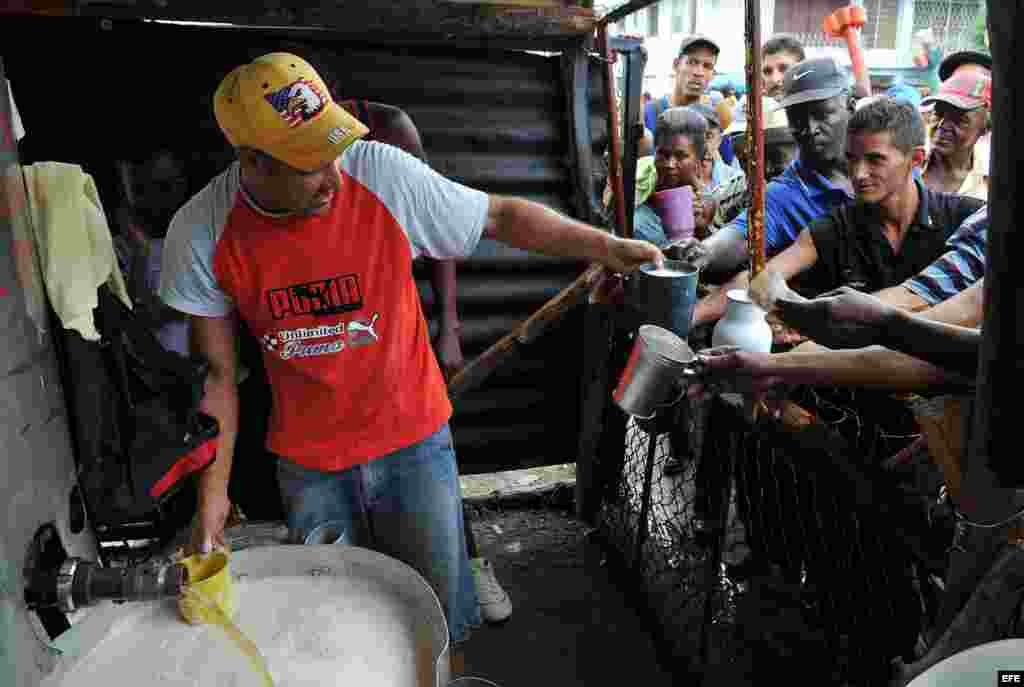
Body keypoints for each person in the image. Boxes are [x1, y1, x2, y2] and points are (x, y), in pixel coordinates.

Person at [158, 52, 661, 661]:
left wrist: (606, 246)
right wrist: (211, 500)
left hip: (413, 444)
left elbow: (499, 215)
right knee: (333, 625)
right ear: (252, 161)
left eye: (333, 151)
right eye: (309, 165)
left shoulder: (380, 176)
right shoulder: (203, 231)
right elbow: (218, 375)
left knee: (436, 620)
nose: (332, 179)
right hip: (310, 463)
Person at [335, 98, 511, 624]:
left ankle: (469, 562)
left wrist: (449, 327)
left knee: (429, 456)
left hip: (398, 332)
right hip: (335, 345)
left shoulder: (391, 129)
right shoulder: (313, 158)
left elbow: (441, 239)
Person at [748, 97, 984, 311]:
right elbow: (765, 279)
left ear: (916, 159)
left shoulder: (965, 217)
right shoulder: (835, 227)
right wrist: (792, 311)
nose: (859, 173)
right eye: (851, 159)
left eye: (875, 160)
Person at [673, 57, 857, 328]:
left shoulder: (889, 170)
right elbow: (741, 236)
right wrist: (703, 252)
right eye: (797, 118)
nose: (809, 128)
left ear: (850, 108)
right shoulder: (784, 194)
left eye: (822, 113)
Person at [113, 148, 193, 357]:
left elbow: (159, 314)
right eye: (141, 189)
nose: (155, 198)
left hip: (179, 374)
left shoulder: (197, 243)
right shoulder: (118, 247)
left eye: (164, 187)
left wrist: (141, 254)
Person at [630, 107, 709, 248]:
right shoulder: (636, 187)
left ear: (698, 160)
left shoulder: (705, 200)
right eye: (663, 154)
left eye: (681, 156)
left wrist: (701, 228)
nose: (669, 164)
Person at [644, 35, 733, 150]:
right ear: (676, 65)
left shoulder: (716, 119)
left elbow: (728, 166)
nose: (699, 72)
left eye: (707, 66)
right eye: (692, 62)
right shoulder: (650, 112)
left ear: (713, 75)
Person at [919, 69, 990, 201]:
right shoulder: (907, 166)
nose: (942, 125)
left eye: (959, 120)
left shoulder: (991, 183)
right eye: (938, 114)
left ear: (984, 127)